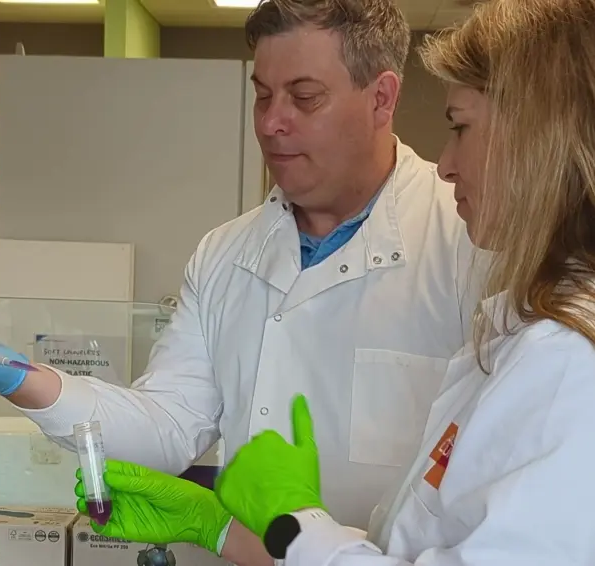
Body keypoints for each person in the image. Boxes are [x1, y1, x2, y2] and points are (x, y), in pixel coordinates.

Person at [0, 1, 476, 563]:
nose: (272, 123)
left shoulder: (469, 242)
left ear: (381, 97)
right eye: (263, 96)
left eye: (304, 98)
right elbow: (168, 425)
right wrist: (21, 378)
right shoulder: (226, 252)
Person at [81, 0, 595, 564]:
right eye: (263, 95)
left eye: (461, 127)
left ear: (540, 142)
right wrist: (220, 529)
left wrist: (294, 520)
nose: (447, 164)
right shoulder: (526, 338)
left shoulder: (565, 360)